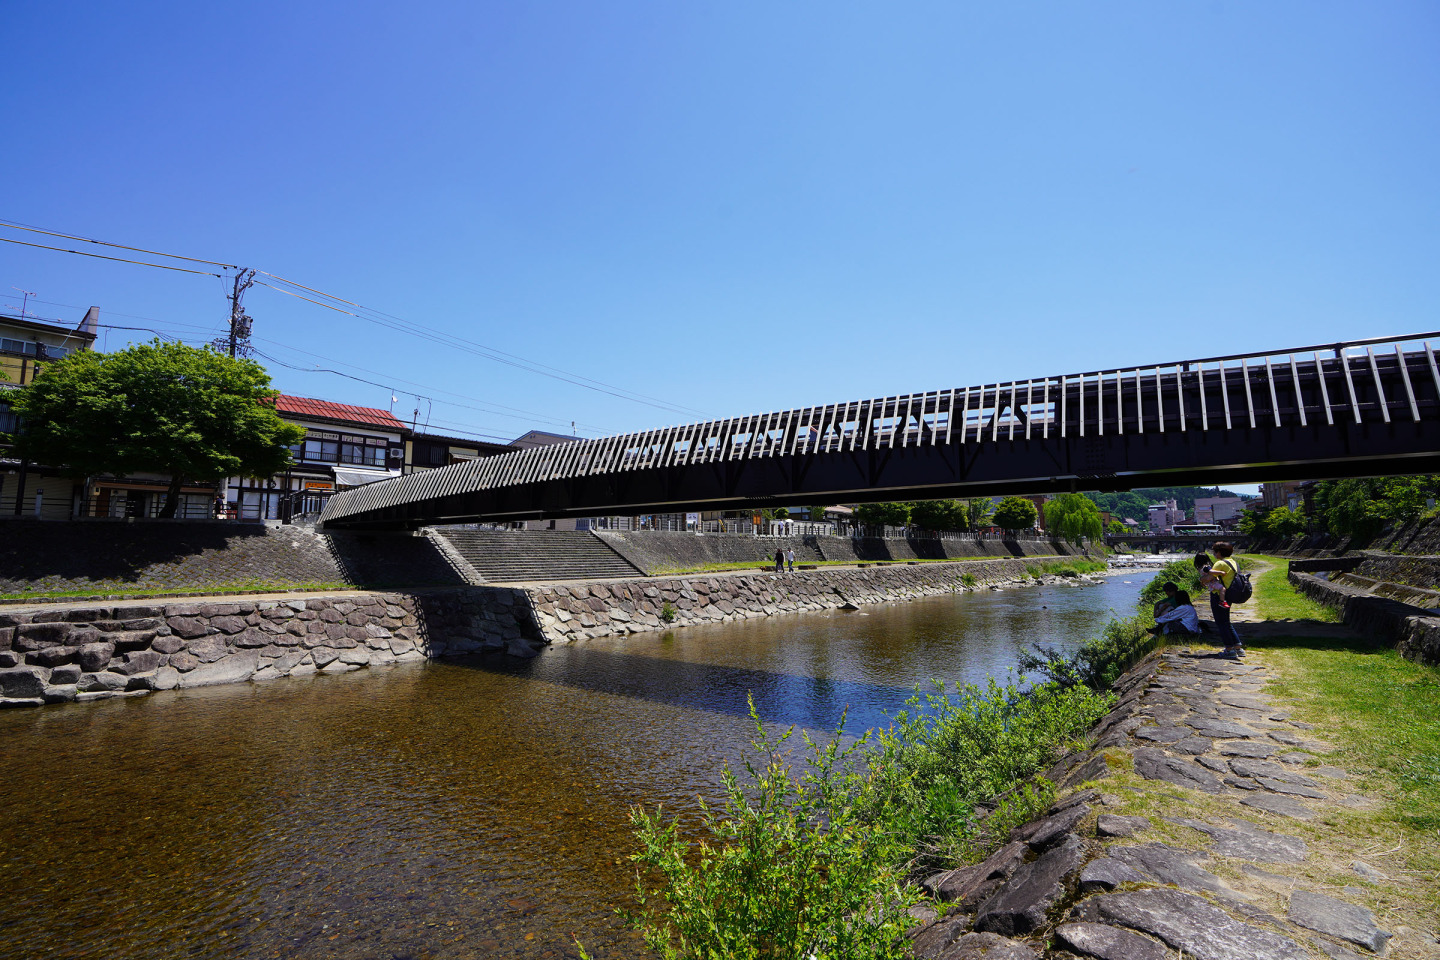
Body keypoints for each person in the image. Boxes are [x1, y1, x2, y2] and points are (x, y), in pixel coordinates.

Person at [1209, 542, 1244, 658]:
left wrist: (1201, 577)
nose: (1214, 554)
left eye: (1215, 551)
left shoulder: (1220, 563)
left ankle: (1229, 649)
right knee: (1226, 622)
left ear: (1219, 552)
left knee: (1221, 623)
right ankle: (1238, 648)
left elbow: (1209, 578)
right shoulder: (1233, 561)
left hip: (1218, 596)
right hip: (1228, 594)